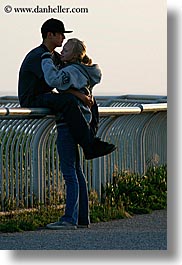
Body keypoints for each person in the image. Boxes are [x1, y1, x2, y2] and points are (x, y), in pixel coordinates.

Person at [18, 18, 116, 160]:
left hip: (47, 95)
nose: (63, 37)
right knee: (69, 100)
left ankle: (91, 141)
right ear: (50, 35)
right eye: (60, 34)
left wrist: (85, 96)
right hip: (32, 99)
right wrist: (79, 96)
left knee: (93, 103)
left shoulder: (55, 57)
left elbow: (64, 83)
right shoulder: (39, 56)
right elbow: (55, 83)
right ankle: (89, 146)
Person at [41, 38, 108, 229]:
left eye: (67, 49)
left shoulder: (72, 71)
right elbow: (71, 90)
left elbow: (54, 81)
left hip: (68, 124)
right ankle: (82, 218)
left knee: (69, 172)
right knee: (77, 171)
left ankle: (69, 218)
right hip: (81, 122)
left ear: (76, 55)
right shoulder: (83, 71)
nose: (62, 50)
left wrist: (47, 59)